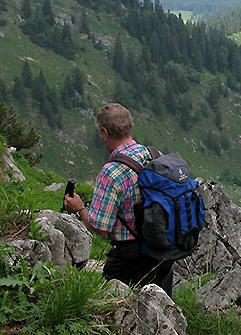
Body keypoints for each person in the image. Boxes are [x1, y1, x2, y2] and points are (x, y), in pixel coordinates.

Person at [63, 103, 174, 295]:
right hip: (163, 252)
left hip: (129, 258)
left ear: (104, 133)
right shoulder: (156, 156)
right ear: (130, 127)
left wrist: (79, 209)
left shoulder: (111, 172)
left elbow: (100, 226)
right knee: (160, 309)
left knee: (116, 313)